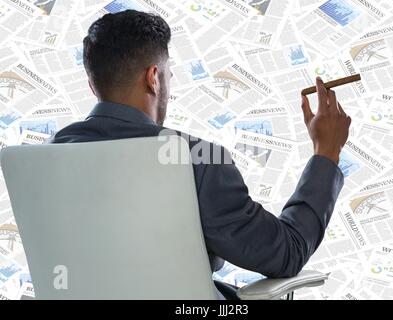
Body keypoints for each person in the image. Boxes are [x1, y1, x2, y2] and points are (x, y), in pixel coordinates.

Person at [48, 10, 351, 300]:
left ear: (92, 85)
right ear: (153, 77)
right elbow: (287, 253)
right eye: (167, 74)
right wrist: (326, 152)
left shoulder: (51, 154)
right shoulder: (195, 160)